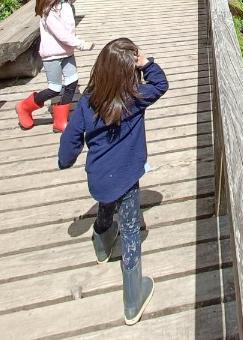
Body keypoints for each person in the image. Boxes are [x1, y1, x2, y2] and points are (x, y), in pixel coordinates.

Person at [58, 37, 169, 325]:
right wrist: (148, 63)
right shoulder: (135, 98)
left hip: (98, 176)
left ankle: (101, 243)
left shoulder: (86, 102)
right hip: (126, 177)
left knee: (106, 203)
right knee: (131, 232)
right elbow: (160, 85)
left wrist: (65, 160)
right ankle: (133, 299)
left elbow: (71, 138)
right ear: (129, 70)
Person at [15, 0, 92, 133]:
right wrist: (81, 44)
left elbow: (69, 28)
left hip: (67, 53)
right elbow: (62, 34)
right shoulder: (48, 12)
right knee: (55, 88)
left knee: (72, 83)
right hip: (53, 56)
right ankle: (24, 107)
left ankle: (60, 119)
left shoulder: (64, 5)